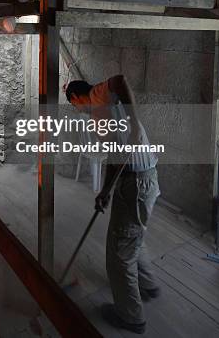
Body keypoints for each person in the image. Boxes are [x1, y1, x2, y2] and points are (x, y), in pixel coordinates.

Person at [66, 75, 161, 335]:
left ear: (76, 98)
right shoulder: (100, 114)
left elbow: (120, 79)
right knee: (130, 237)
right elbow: (114, 157)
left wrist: (132, 121)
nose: (78, 110)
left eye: (74, 106)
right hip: (139, 180)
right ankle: (149, 285)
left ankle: (132, 317)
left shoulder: (97, 96)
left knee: (119, 255)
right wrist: (106, 191)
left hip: (136, 184)